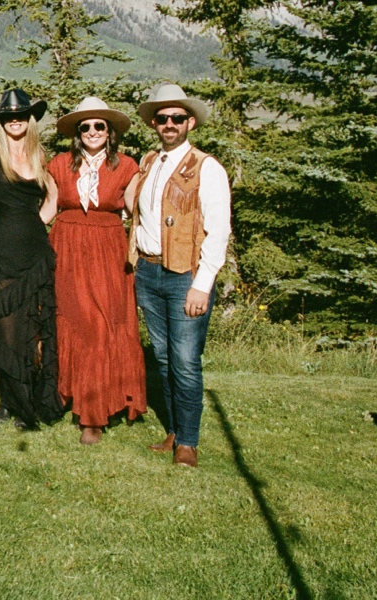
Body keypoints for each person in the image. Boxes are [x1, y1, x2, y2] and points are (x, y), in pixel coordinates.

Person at [126, 83, 231, 468]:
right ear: (154, 123)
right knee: (165, 358)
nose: (169, 124)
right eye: (162, 118)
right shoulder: (150, 161)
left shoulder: (207, 167)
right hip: (149, 272)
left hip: (184, 275)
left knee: (186, 360)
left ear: (190, 122)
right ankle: (173, 429)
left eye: (177, 118)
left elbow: (218, 230)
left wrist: (202, 284)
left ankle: (188, 441)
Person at [48, 97, 147, 445]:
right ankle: (76, 401)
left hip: (108, 253)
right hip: (67, 249)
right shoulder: (59, 165)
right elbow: (47, 209)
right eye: (85, 126)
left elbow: (138, 210)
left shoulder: (127, 167)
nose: (92, 131)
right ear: (77, 133)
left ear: (110, 132)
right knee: (77, 322)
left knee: (103, 324)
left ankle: (97, 408)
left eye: (99, 126)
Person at [0, 88, 62, 431]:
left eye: (21, 116)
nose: (15, 121)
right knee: (8, 327)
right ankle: (8, 400)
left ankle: (31, 395)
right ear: (1, 121)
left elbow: (54, 197)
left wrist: (37, 222)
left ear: (30, 120)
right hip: (3, 253)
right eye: (8, 117)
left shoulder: (40, 155)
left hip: (35, 252)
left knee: (35, 328)